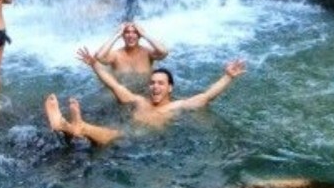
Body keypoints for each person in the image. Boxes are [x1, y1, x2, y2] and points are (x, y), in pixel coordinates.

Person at [44, 48, 246, 146]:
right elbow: (112, 83)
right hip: (126, 134)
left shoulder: (178, 106)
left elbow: (207, 96)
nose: (155, 86)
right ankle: (69, 126)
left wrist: (228, 77)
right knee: (114, 133)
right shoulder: (139, 101)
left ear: (170, 88)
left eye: (160, 83)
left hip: (141, 144)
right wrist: (95, 65)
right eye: (152, 82)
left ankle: (74, 126)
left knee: (115, 135)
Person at [94, 21, 169, 77]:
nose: (130, 35)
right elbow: (99, 57)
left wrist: (144, 34)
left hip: (146, 93)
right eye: (127, 32)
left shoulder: (147, 53)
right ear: (122, 35)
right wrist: (116, 35)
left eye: (135, 32)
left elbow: (164, 52)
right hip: (124, 95)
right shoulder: (116, 55)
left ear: (139, 35)